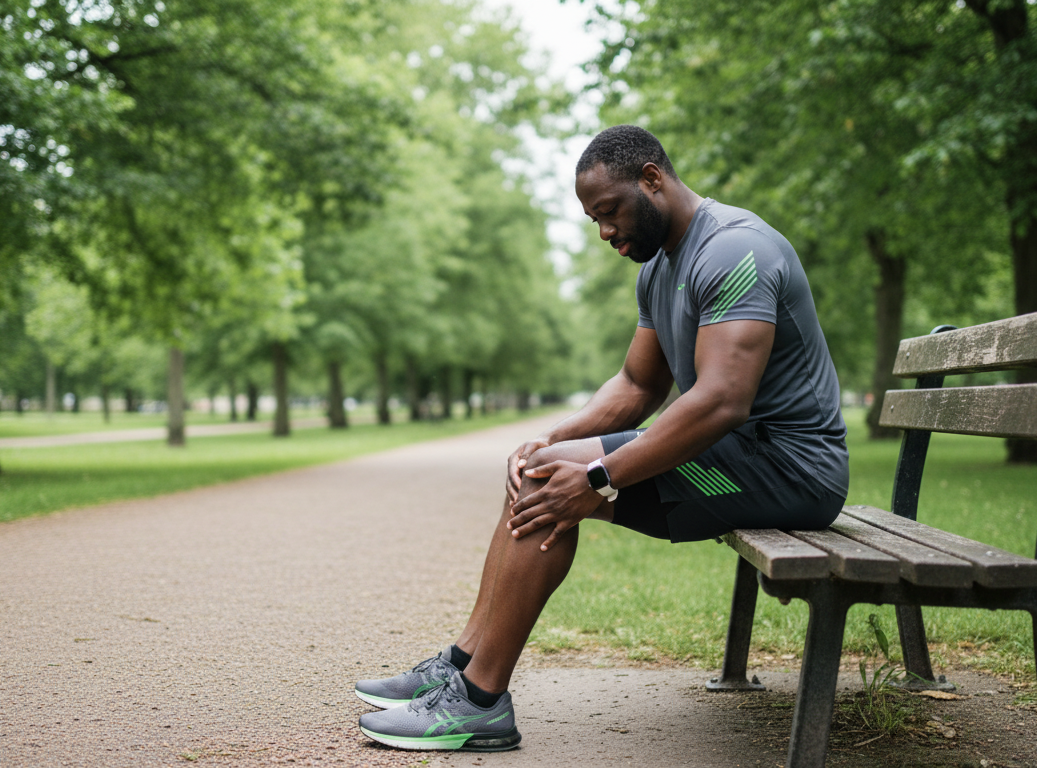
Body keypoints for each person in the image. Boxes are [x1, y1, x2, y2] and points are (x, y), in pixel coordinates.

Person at [355, 125, 849, 752]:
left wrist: (598, 478)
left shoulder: (732, 250)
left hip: (790, 471)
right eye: (593, 219)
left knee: (555, 485)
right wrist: (548, 439)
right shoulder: (661, 268)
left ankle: (478, 701)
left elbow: (722, 401)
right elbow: (637, 385)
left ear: (651, 178)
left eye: (610, 213)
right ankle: (462, 667)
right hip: (739, 459)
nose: (605, 233)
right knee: (539, 470)